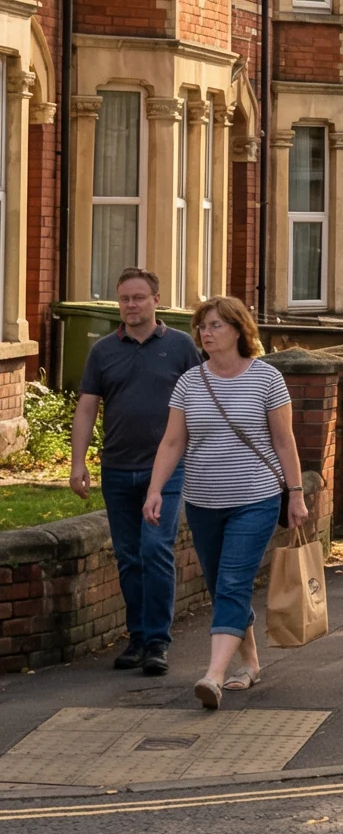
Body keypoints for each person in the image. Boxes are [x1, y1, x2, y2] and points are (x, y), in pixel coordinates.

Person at [144, 296, 305, 711]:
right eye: (202, 326)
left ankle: (213, 675)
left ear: (238, 329)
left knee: (233, 583)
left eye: (215, 325)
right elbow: (172, 442)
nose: (206, 333)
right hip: (203, 501)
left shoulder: (267, 379)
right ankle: (249, 662)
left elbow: (284, 441)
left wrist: (296, 494)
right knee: (221, 587)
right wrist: (156, 489)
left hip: (255, 499)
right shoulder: (189, 382)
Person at [68, 267, 201, 676]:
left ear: (156, 300)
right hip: (117, 468)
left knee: (155, 549)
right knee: (128, 557)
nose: (130, 305)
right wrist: (77, 463)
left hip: (167, 470)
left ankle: (158, 641)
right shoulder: (103, 351)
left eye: (139, 298)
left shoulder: (180, 346)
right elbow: (87, 409)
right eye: (124, 298)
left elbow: (200, 401)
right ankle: (138, 637)